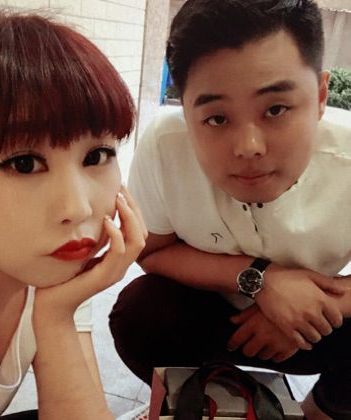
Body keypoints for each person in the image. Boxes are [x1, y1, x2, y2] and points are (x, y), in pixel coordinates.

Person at [109, 1, 351, 419]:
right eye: (217, 118)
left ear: (320, 96)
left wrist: (317, 306)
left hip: (314, 329)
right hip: (209, 312)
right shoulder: (166, 146)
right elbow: (151, 252)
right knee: (140, 313)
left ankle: (318, 412)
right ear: (185, 110)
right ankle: (198, 398)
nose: (248, 147)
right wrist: (263, 280)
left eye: (276, 109)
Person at [0, 7, 147, 420]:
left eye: (96, 155)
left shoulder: (50, 268)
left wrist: (56, 315)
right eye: (25, 164)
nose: (77, 208)